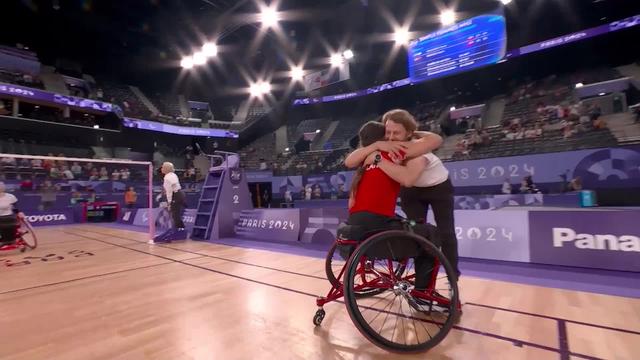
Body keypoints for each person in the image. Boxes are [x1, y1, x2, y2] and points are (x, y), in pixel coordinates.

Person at [345, 109, 460, 279]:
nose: (391, 136)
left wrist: (378, 157)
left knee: (446, 232)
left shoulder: (413, 147)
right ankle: (422, 284)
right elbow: (349, 160)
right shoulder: (385, 145)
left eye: (396, 132)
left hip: (438, 188)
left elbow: (437, 139)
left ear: (408, 132)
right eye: (388, 132)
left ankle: (453, 277)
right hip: (412, 191)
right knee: (419, 234)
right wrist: (376, 146)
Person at [161, 162, 185, 231]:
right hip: (180, 194)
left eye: (163, 167)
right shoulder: (173, 175)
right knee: (176, 214)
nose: (161, 169)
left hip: (176, 195)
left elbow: (169, 191)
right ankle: (181, 229)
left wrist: (169, 202)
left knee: (175, 214)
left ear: (166, 169)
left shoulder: (167, 178)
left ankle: (180, 230)